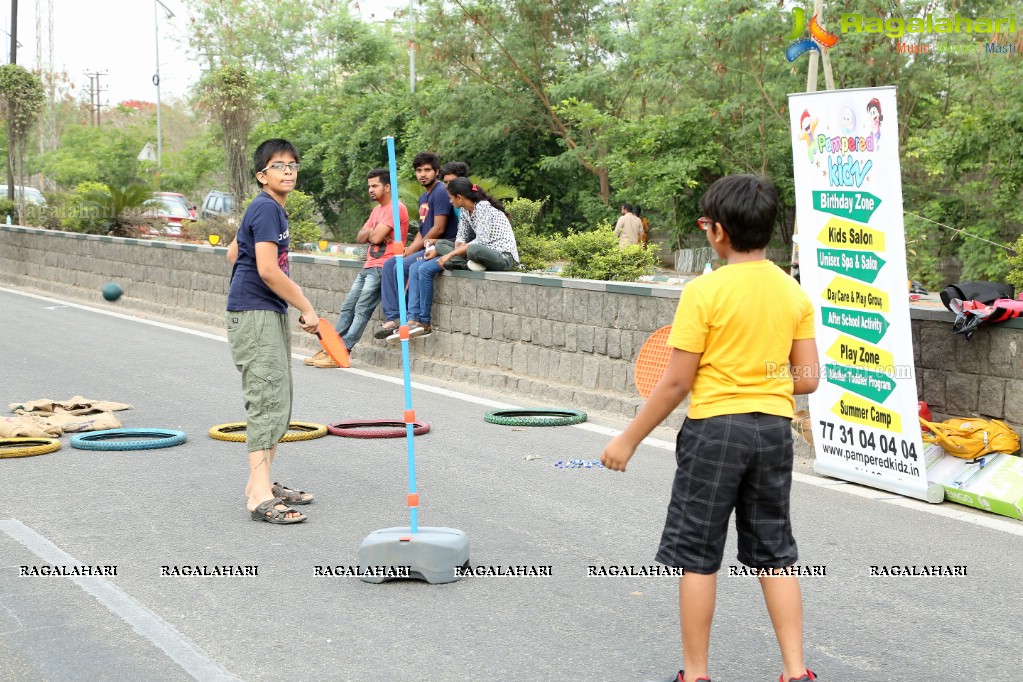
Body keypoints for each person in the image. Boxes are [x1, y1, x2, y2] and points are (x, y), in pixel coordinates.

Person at [599, 174, 820, 682]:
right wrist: (760, 374)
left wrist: (627, 438)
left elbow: (677, 383)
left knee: (699, 554)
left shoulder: (703, 291)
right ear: (769, 229)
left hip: (716, 432)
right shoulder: (794, 294)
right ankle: (794, 671)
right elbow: (806, 379)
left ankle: (696, 675)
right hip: (772, 433)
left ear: (716, 232)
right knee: (774, 553)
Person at [226, 138, 320, 525]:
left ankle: (257, 484)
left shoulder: (267, 209)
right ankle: (259, 498)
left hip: (261, 311)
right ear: (263, 175)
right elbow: (267, 269)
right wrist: (307, 306)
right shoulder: (267, 208)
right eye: (279, 166)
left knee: (276, 398)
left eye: (293, 165)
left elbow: (234, 253)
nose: (288, 171)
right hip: (256, 313)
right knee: (266, 400)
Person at [392, 178, 519, 341]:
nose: (450, 201)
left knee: (471, 249)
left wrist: (449, 255)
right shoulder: (466, 211)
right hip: (473, 255)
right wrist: (441, 249)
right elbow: (460, 238)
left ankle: (469, 263)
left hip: (500, 257)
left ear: (459, 197)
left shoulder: (483, 207)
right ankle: (420, 322)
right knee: (435, 253)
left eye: (451, 197)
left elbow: (481, 240)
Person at [307, 168, 409, 368]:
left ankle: (342, 352)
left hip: (382, 267)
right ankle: (330, 348)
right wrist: (373, 231)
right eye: (369, 186)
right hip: (368, 266)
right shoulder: (377, 210)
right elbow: (361, 236)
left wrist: (372, 232)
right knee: (348, 307)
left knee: (362, 309)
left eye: (375, 186)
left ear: (387, 187)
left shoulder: (396, 208)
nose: (370, 190)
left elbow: (375, 238)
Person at [374, 151, 458, 339]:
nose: (423, 174)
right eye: (419, 170)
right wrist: (410, 248)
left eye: (427, 170)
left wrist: (415, 250)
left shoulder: (440, 193)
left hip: (441, 247)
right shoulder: (423, 198)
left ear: (436, 171)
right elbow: (422, 229)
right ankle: (394, 317)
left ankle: (411, 318)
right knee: (389, 265)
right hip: (425, 246)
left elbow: (438, 228)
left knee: (404, 265)